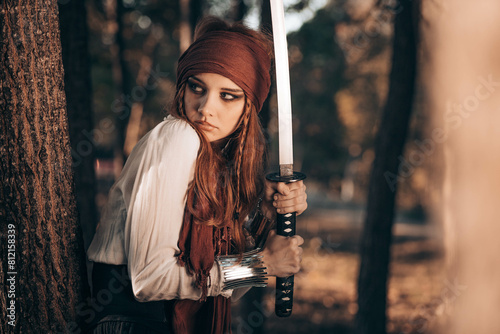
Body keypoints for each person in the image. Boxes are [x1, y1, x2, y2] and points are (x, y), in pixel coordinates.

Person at [86, 16, 307, 334]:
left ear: (249, 106)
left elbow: (220, 291)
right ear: (183, 88)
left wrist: (266, 217)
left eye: (227, 95)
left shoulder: (217, 169)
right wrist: (258, 265)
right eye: (197, 88)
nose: (205, 108)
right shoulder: (178, 136)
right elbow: (149, 280)